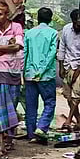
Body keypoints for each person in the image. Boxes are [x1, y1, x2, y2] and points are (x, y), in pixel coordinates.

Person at [0, 4, 24, 157]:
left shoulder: (16, 27)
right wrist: (8, 46)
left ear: (7, 15)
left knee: (12, 106)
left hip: (14, 72)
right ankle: (1, 144)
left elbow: (18, 46)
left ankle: (9, 139)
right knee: (0, 108)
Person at [22, 7, 59, 140]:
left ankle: (31, 134)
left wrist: (23, 71)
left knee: (31, 105)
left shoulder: (29, 33)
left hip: (29, 74)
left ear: (38, 18)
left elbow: (24, 54)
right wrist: (42, 70)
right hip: (46, 75)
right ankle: (42, 127)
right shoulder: (53, 33)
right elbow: (51, 54)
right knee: (50, 102)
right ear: (50, 18)